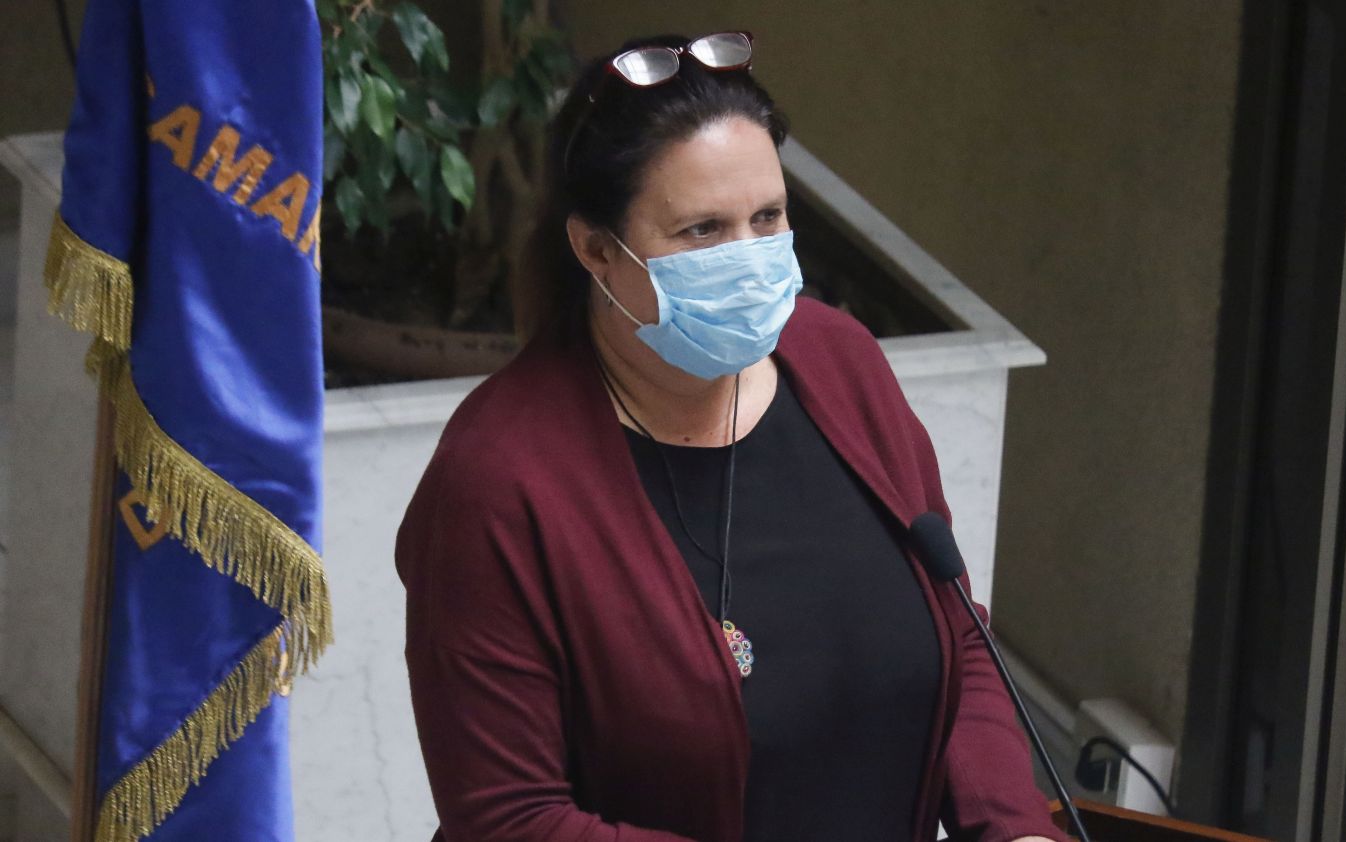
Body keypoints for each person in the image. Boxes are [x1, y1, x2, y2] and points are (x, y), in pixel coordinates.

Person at [395, 30, 1068, 842]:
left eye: (768, 217)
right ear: (596, 250)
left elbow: (956, 631)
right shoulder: (497, 483)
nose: (750, 260)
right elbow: (509, 819)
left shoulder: (839, 361)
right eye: (703, 231)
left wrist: (1013, 825)